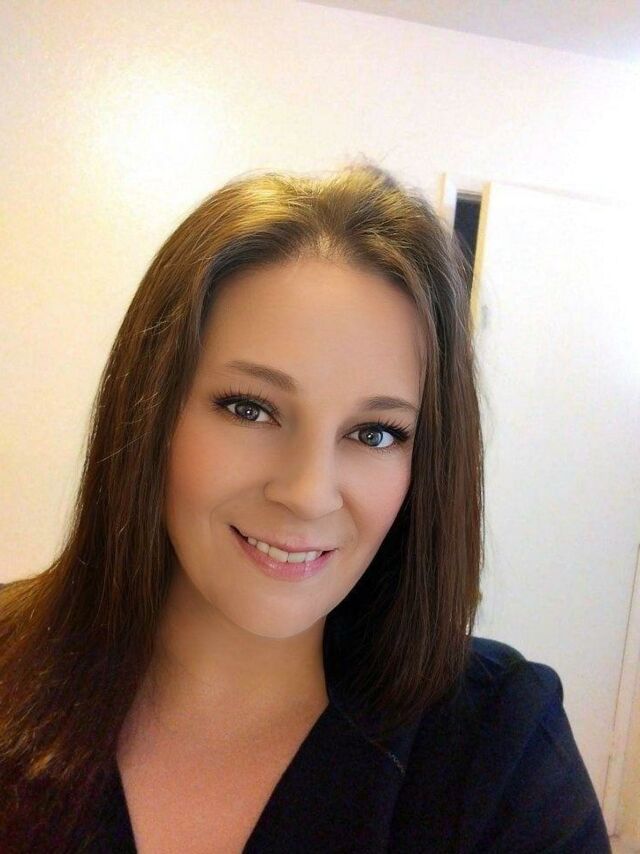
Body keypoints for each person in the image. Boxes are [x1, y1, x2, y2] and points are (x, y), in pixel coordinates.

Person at [0, 160, 610, 852]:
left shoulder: (497, 746)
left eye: (374, 433)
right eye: (250, 408)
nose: (308, 492)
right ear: (150, 411)